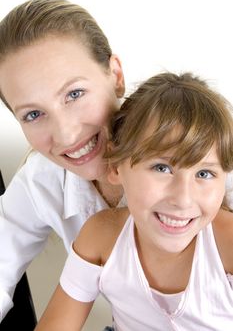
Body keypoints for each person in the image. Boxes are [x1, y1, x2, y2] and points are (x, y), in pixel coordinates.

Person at [35, 72, 233, 331]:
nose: (183, 199)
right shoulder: (101, 237)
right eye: (162, 168)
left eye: (204, 174)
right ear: (116, 166)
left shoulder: (227, 243)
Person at [0, 0, 125, 322]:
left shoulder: (206, 160)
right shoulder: (43, 178)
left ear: (116, 75)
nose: (67, 136)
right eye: (34, 114)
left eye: (74, 94)